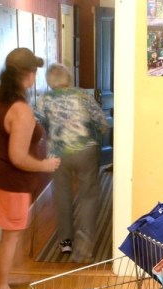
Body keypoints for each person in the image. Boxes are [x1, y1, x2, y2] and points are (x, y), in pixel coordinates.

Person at [0, 48, 61, 289]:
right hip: (10, 181)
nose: (34, 77)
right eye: (33, 72)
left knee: (8, 234)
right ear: (26, 74)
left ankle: (4, 279)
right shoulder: (20, 110)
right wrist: (45, 165)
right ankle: (2, 288)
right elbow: (18, 157)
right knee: (10, 236)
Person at [35, 63, 109, 260]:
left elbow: (38, 125)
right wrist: (100, 133)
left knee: (62, 195)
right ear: (68, 78)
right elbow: (101, 121)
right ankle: (85, 245)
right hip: (85, 151)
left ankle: (65, 242)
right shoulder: (83, 95)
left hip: (58, 154)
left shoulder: (43, 100)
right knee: (88, 195)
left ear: (49, 81)